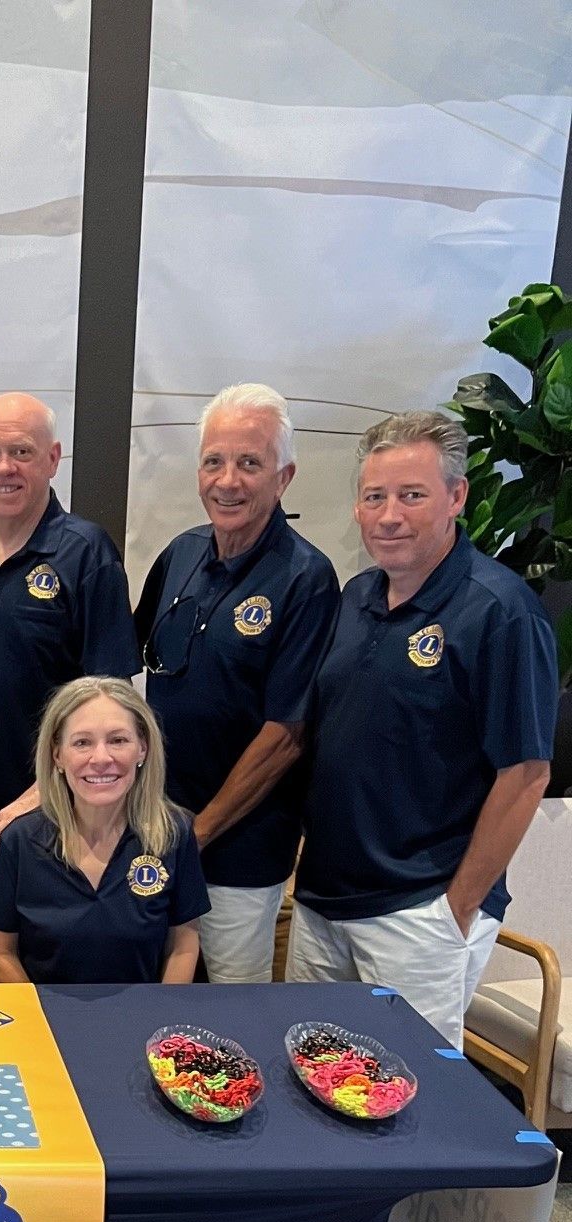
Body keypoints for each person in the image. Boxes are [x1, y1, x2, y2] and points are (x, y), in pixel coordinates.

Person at [288, 410, 557, 1047]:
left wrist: (454, 911)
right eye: (374, 497)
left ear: (456, 496)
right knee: (308, 1074)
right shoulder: (355, 597)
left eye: (411, 495)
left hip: (418, 911)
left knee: (412, 1092)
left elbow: (526, 775)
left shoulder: (500, 612)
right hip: (323, 903)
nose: (389, 516)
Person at [135, 383, 340, 983]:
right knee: (150, 992)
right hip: (156, 833)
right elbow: (128, 664)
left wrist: (196, 835)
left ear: (283, 477)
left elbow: (286, 736)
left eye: (249, 463)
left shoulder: (306, 579)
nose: (227, 481)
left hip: (240, 853)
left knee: (231, 1007)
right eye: (213, 462)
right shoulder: (180, 554)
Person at [0, 394, 138, 857]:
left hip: (58, 814)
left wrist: (43, 793)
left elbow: (111, 703)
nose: (4, 468)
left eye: (21, 452)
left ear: (53, 459)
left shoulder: (87, 553)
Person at [0, 678, 207, 984]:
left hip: (143, 1011)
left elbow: (182, 947)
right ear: (57, 755)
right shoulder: (19, 840)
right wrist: (36, 1012)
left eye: (118, 740)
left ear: (143, 748)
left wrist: (162, 1012)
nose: (101, 758)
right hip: (44, 1010)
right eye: (82, 743)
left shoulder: (174, 834)